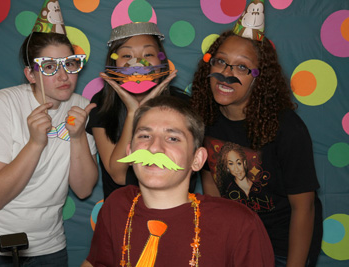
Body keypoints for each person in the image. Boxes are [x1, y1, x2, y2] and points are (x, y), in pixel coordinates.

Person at [0, 1, 97, 265]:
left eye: (69, 64)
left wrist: (77, 138)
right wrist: (35, 143)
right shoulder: (2, 104)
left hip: (49, 247)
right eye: (49, 67)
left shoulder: (80, 107)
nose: (63, 75)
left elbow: (83, 189)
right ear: (31, 74)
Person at [190, 0, 322, 266]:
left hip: (283, 247)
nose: (227, 74)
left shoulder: (287, 129)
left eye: (241, 67)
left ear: (259, 78)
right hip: (237, 242)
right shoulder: (204, 118)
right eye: (221, 62)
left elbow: (303, 208)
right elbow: (212, 190)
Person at [81, 95, 274, 266]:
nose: (154, 148)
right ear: (130, 152)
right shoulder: (117, 205)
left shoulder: (238, 224)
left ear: (197, 159)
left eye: (172, 138)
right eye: (145, 136)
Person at [86, 22, 192, 200]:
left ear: (161, 60)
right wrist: (134, 112)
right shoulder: (102, 104)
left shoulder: (183, 106)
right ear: (114, 63)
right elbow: (118, 175)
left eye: (148, 54)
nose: (137, 63)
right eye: (127, 55)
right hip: (123, 212)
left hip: (173, 209)